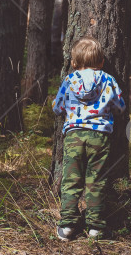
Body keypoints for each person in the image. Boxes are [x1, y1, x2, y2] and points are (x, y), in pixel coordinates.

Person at [51, 36, 126, 240]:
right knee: (97, 180)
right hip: (100, 137)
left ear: (74, 63)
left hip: (74, 135)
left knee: (71, 180)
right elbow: (120, 107)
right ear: (101, 62)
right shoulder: (108, 80)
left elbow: (58, 107)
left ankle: (67, 225)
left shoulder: (69, 80)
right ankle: (96, 227)